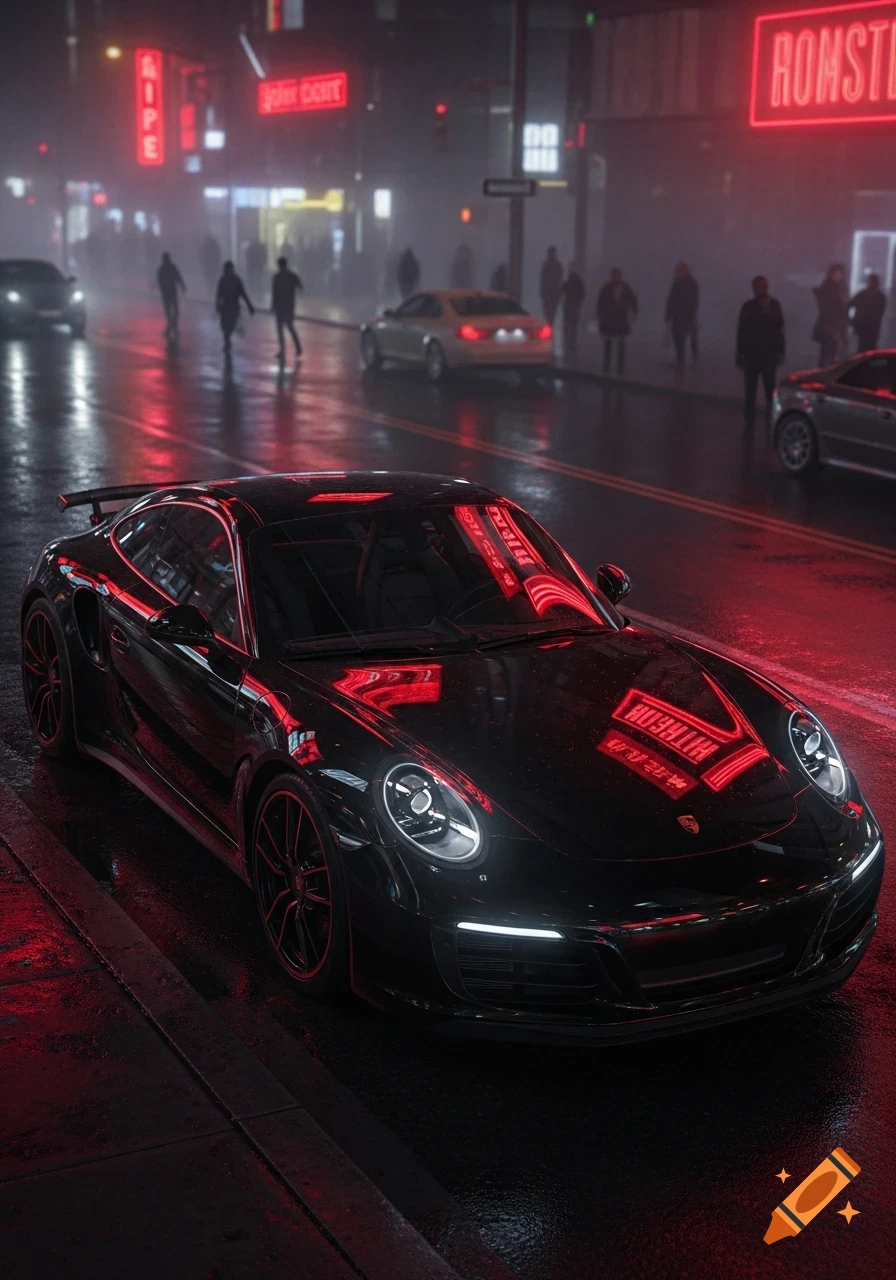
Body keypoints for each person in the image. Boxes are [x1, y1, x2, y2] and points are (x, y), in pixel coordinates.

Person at [736, 275, 785, 428]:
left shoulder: (768, 306)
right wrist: (740, 354)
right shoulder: (753, 307)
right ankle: (752, 422)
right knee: (752, 391)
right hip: (755, 355)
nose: (759, 289)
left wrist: (780, 351)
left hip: (765, 355)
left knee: (768, 390)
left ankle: (767, 421)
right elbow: (742, 332)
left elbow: (779, 330)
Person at [596, 268, 638, 374]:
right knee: (611, 342)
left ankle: (618, 366)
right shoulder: (612, 287)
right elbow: (601, 302)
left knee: (619, 343)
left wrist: (634, 310)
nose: (617, 277)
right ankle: (609, 365)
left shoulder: (621, 287)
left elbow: (632, 300)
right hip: (612, 318)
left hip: (619, 318)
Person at [664, 261, 699, 371]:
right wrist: (668, 314)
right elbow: (671, 299)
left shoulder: (691, 283)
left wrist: (689, 312)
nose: (677, 272)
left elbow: (693, 301)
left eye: (679, 270)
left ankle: (689, 359)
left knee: (685, 337)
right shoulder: (677, 283)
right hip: (678, 316)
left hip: (686, 315)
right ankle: (681, 360)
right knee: (678, 338)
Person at [812, 263, 848, 366]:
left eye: (840, 273)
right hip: (830, 330)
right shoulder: (830, 289)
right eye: (836, 273)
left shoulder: (839, 288)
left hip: (835, 330)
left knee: (832, 359)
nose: (838, 276)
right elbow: (828, 312)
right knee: (827, 358)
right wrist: (835, 334)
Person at [215, 260, 254, 355]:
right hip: (226, 307)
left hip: (234, 307)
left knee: (230, 325)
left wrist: (249, 305)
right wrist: (217, 306)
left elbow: (243, 293)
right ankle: (227, 341)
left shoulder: (236, 280)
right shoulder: (223, 280)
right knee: (225, 326)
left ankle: (228, 340)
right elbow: (218, 295)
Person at [271, 256, 303, 362]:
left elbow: (274, 293)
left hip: (280, 306)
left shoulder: (277, 277)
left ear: (279, 265)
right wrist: (294, 293)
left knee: (280, 329)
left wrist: (273, 306)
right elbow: (300, 287)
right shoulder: (292, 276)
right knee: (289, 326)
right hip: (289, 305)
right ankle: (298, 347)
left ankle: (282, 350)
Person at [849, 272, 887, 353]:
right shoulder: (880, 297)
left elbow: (848, 305)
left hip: (863, 328)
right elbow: (879, 314)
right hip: (872, 329)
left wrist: (852, 321)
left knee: (862, 351)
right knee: (870, 352)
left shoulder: (863, 295)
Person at [156, 251, 186, 338]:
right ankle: (173, 325)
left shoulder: (162, 268)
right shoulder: (171, 267)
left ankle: (171, 325)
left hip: (168, 293)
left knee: (170, 311)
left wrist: (182, 285)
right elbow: (178, 277)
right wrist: (182, 286)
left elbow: (160, 282)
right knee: (173, 310)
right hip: (171, 292)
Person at [560, 262, 586, 357]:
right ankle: (572, 342)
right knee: (574, 325)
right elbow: (582, 294)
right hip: (575, 306)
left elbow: (562, 290)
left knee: (568, 324)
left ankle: (568, 341)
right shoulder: (579, 282)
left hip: (569, 306)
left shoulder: (568, 282)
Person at [540, 246, 564, 326]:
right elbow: (560, 277)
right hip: (553, 293)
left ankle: (549, 326)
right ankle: (550, 325)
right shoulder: (557, 265)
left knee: (549, 313)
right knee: (551, 313)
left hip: (550, 293)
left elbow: (543, 279)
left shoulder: (546, 265)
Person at [200, 233, 222, 299]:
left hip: (209, 265)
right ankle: (212, 291)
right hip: (213, 265)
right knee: (212, 278)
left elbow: (203, 255)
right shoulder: (214, 244)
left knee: (209, 278)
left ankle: (210, 291)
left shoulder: (206, 245)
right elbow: (218, 254)